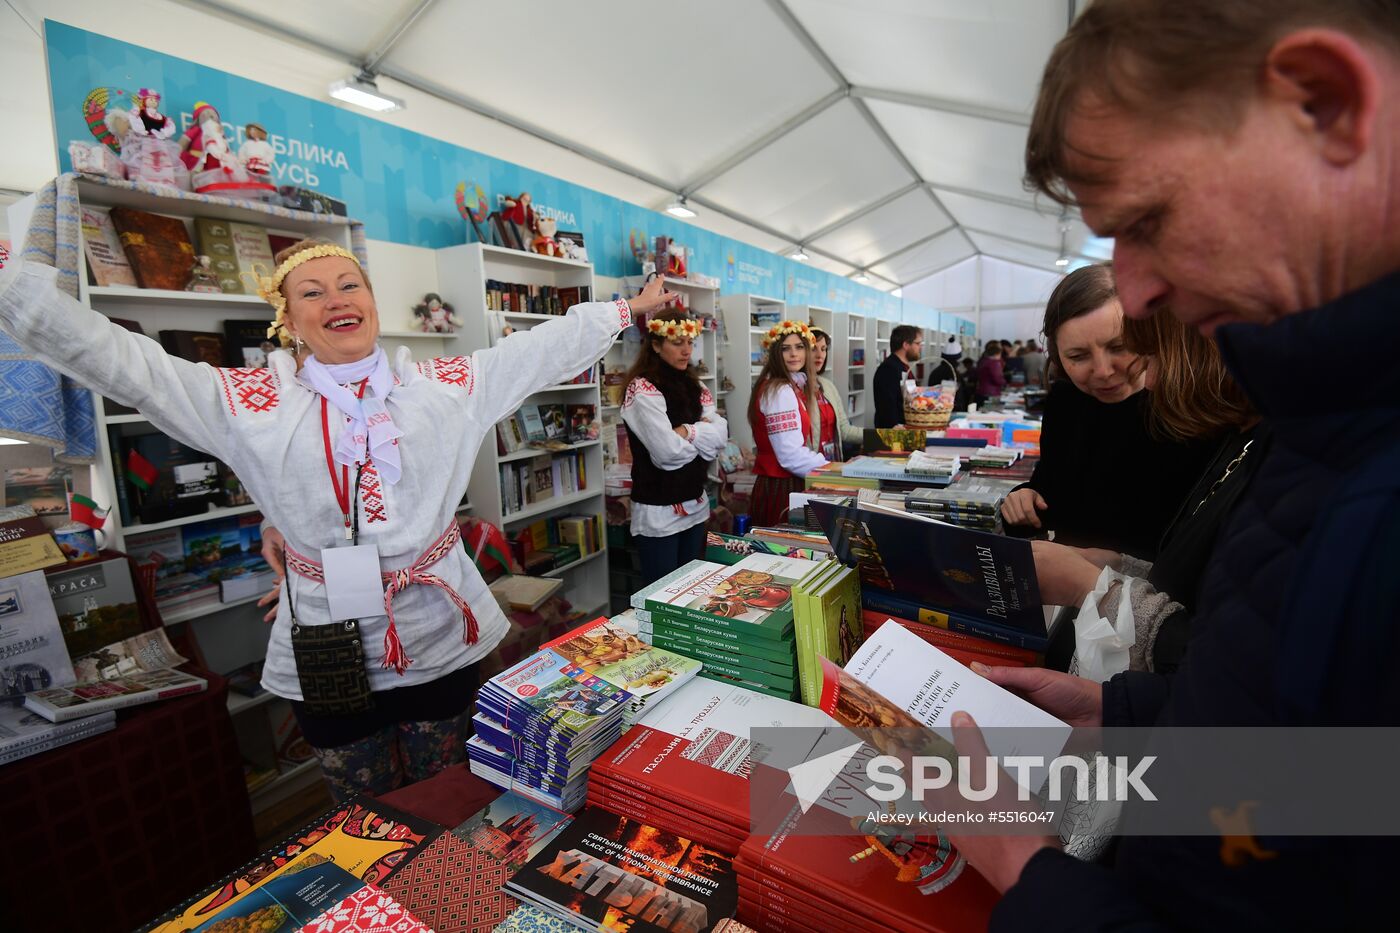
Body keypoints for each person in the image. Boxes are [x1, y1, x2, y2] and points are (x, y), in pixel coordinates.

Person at [944, 3, 1400, 927]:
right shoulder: (1313, 417)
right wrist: (1141, 709)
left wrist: (1027, 871)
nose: (1139, 289)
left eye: (1149, 219)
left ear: (1325, 105)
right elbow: (1334, 773)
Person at [0, 236, 677, 801]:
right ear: (287, 321)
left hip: (437, 629)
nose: (337, 300)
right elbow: (125, 363)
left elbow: (535, 351)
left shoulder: (444, 387)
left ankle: (446, 901)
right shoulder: (249, 401)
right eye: (313, 292)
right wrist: (13, 286)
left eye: (349, 284)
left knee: (449, 792)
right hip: (325, 639)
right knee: (363, 806)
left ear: (373, 304)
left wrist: (624, 308)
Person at [1031, 308, 1268, 676]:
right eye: (1077, 355)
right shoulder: (1243, 440)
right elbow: (1187, 577)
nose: (1150, 378)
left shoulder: (1283, 464)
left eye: (1153, 354)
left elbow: (1237, 665)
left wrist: (1096, 588)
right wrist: (1122, 567)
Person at [1000, 263, 1213, 560]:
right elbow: (1050, 489)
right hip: (1068, 593)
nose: (1102, 371)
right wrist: (1025, 499)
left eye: (1119, 347)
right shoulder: (1065, 399)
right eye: (1078, 356)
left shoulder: (1186, 409)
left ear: (1148, 336)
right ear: (1057, 355)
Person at [620, 307, 728, 585]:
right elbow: (667, 454)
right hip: (659, 510)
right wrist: (701, 438)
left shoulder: (696, 385)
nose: (686, 350)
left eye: (690, 342)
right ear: (656, 345)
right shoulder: (642, 388)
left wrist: (686, 432)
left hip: (694, 502)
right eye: (677, 342)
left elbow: (720, 437)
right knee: (661, 595)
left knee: (691, 589)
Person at [747, 320, 827, 526]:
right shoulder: (780, 390)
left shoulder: (785, 386)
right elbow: (790, 456)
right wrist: (829, 468)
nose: (794, 354)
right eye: (785, 349)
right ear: (775, 353)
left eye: (799, 347)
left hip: (779, 483)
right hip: (780, 486)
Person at [808, 327, 862, 457]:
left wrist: (881, 434)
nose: (819, 355)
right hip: (810, 467)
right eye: (813, 348)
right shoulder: (793, 389)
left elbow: (844, 430)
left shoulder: (828, 386)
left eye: (823, 349)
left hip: (833, 463)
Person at [873, 324, 922, 428]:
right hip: (895, 435)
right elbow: (887, 409)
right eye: (918, 343)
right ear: (906, 345)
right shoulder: (888, 369)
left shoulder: (904, 366)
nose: (920, 347)